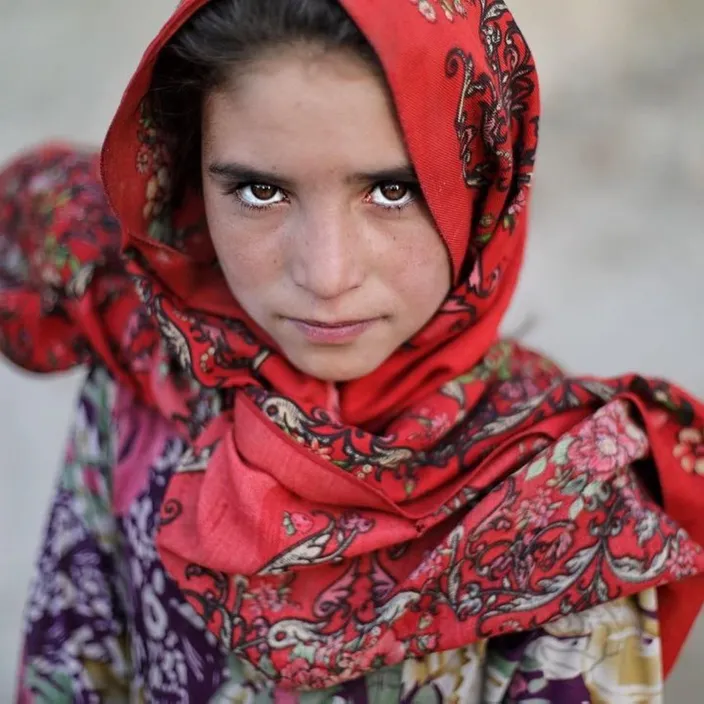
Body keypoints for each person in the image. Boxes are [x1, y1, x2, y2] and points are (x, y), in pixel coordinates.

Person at [2, 0, 704, 700]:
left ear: (485, 183)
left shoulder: (562, 499)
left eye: (392, 190)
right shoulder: (147, 369)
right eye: (260, 190)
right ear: (192, 183)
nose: (327, 275)